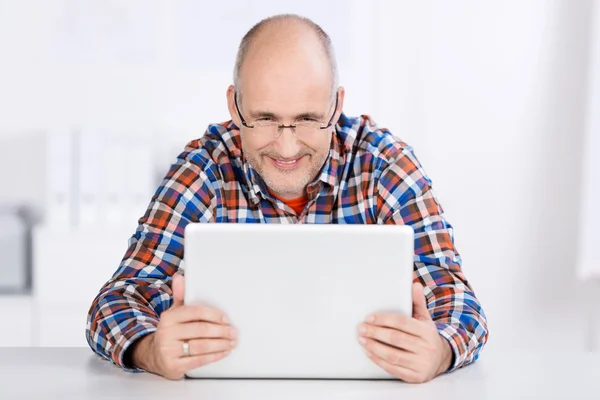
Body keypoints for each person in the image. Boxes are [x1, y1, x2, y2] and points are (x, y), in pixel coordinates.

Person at [86, 14, 488, 383]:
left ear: (336, 105)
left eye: (309, 119)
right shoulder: (205, 166)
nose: (287, 145)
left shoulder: (384, 164)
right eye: (264, 118)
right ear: (234, 104)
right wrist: (151, 348)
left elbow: (456, 298)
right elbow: (117, 300)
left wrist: (439, 351)